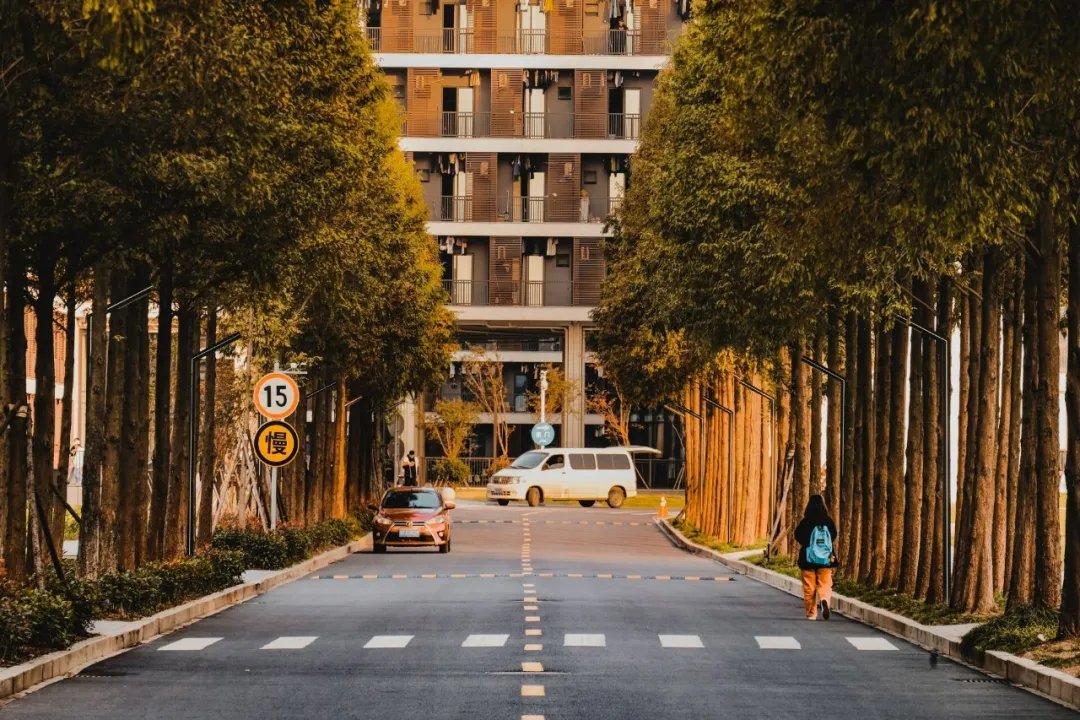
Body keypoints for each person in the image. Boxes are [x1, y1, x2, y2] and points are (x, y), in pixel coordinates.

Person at [794, 494, 837, 620]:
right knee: (825, 583)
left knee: (809, 586)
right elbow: (833, 535)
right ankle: (824, 599)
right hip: (826, 558)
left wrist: (808, 544)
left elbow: (798, 535)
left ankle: (811, 613)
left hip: (808, 558)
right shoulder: (828, 521)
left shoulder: (806, 521)